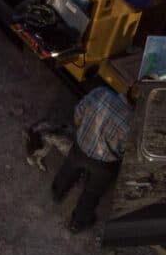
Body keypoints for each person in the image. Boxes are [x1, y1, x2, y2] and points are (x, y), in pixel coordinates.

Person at [51, 86, 134, 233]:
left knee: (68, 169)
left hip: (81, 146)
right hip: (103, 165)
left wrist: (82, 131)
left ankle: (57, 193)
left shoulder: (101, 93)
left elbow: (78, 111)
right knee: (91, 193)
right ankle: (78, 223)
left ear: (130, 88)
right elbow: (124, 150)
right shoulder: (133, 123)